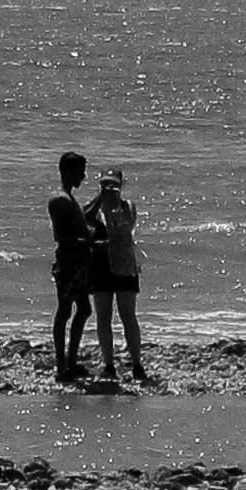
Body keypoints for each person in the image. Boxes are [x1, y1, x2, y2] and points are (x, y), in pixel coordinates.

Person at [86, 165, 156, 388]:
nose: (109, 188)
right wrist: (100, 199)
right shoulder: (95, 208)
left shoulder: (127, 206)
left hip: (125, 265)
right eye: (105, 184)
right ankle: (108, 364)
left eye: (113, 185)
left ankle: (136, 363)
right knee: (103, 316)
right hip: (101, 264)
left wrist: (111, 202)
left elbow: (122, 224)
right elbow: (84, 217)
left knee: (128, 316)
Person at [44, 150, 102, 384]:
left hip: (79, 262)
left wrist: (100, 197)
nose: (83, 177)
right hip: (68, 263)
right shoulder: (59, 200)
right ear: (68, 172)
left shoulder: (68, 198)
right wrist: (88, 242)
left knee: (84, 310)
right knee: (65, 311)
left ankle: (70, 362)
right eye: (80, 172)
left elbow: (83, 217)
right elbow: (60, 236)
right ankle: (62, 366)